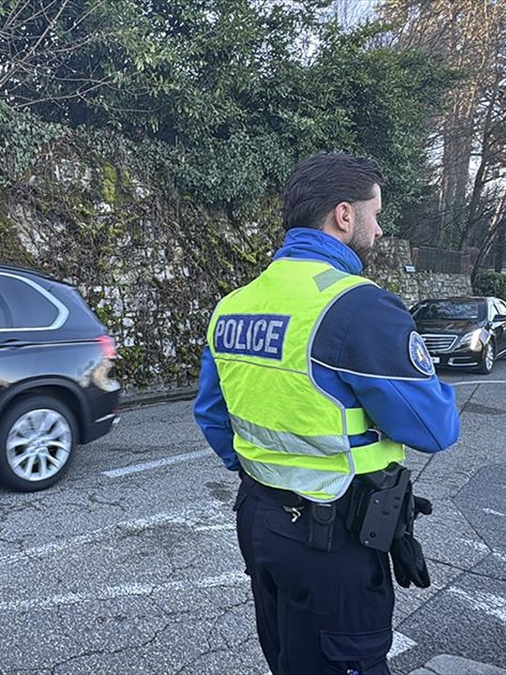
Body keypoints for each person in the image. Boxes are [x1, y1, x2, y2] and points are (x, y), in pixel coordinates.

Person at [194, 152, 460, 675]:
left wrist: (269, 469)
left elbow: (212, 415)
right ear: (344, 215)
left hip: (261, 520)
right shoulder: (358, 306)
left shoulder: (235, 304)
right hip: (334, 534)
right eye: (375, 214)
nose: (380, 230)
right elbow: (434, 428)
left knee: (289, 658)